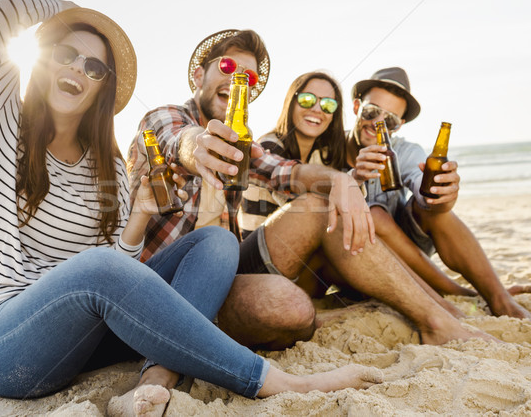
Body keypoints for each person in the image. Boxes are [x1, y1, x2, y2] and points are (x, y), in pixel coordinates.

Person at [0, 0, 383, 417]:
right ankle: (275, 381)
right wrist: (89, 16)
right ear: (40, 60)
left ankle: (156, 378)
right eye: (64, 53)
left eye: (93, 66)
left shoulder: (105, 166)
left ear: (102, 86)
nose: (76, 68)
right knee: (99, 268)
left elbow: (115, 262)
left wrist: (139, 215)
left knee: (216, 242)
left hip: (78, 344)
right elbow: (6, 10)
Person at [127, 32, 496, 357]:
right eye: (226, 66)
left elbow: (284, 171)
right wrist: (197, 148)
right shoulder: (165, 116)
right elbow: (178, 139)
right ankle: (438, 308)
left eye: (249, 76)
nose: (238, 79)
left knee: (298, 286)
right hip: (164, 282)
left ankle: (440, 317)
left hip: (227, 272)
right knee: (295, 292)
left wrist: (340, 181)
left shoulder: (248, 143)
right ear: (198, 75)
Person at [344, 66, 531, 319]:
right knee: (373, 214)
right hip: (354, 259)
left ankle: (500, 299)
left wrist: (441, 193)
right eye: (371, 111)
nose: (378, 123)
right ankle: (464, 293)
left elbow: (424, 188)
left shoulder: (405, 151)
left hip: (406, 246)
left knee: (432, 209)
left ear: (400, 125)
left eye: (389, 120)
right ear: (356, 107)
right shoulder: (330, 148)